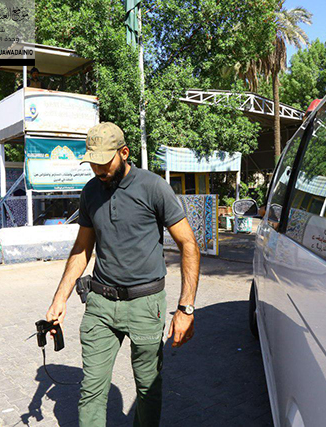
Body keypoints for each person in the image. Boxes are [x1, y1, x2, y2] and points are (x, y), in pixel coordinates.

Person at [46, 122, 200, 427]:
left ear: (124, 153)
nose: (99, 170)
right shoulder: (90, 192)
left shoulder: (153, 187)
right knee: (91, 389)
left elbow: (188, 244)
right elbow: (82, 248)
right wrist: (59, 298)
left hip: (145, 305)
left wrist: (186, 308)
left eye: (105, 163)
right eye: (93, 164)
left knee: (148, 389)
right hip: (100, 305)